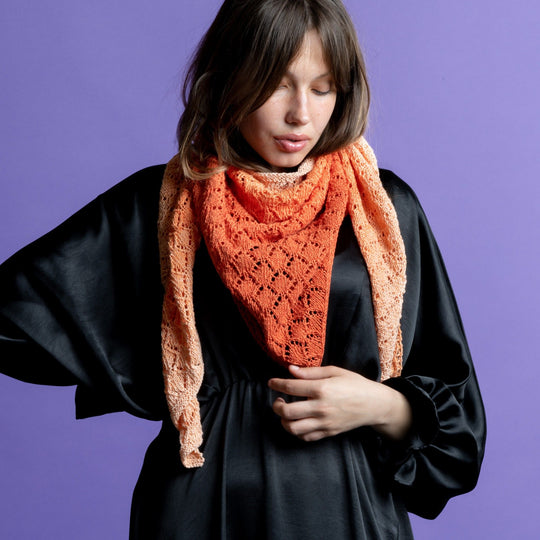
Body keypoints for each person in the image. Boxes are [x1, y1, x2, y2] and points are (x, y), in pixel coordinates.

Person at [0, 0, 486, 538]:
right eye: (277, 85)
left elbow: (459, 423)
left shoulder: (384, 210)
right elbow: (18, 319)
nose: (301, 114)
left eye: (323, 88)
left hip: (349, 506)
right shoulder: (166, 204)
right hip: (200, 505)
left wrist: (380, 404)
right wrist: (148, 368)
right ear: (230, 80)